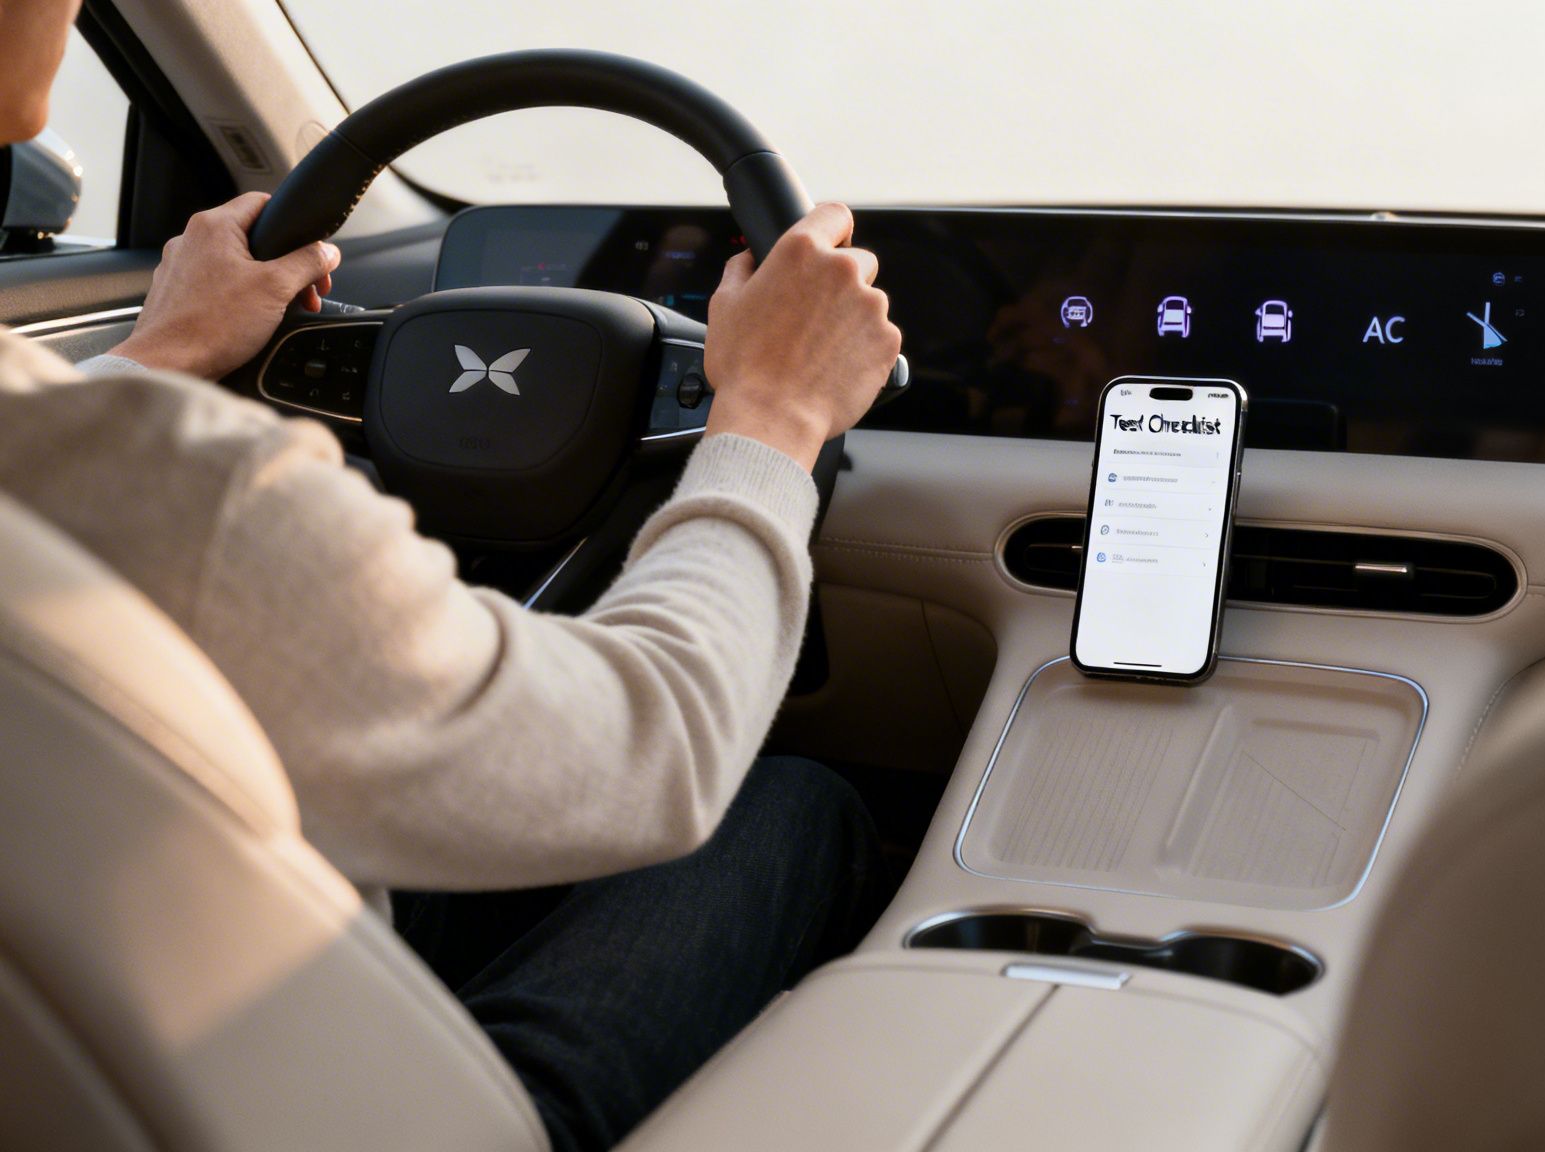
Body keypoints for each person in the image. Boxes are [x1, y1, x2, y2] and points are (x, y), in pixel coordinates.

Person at [0, 3, 904, 1150]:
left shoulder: (80, 458)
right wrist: (775, 410)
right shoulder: (194, 498)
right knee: (785, 807)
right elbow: (655, 745)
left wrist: (160, 355)